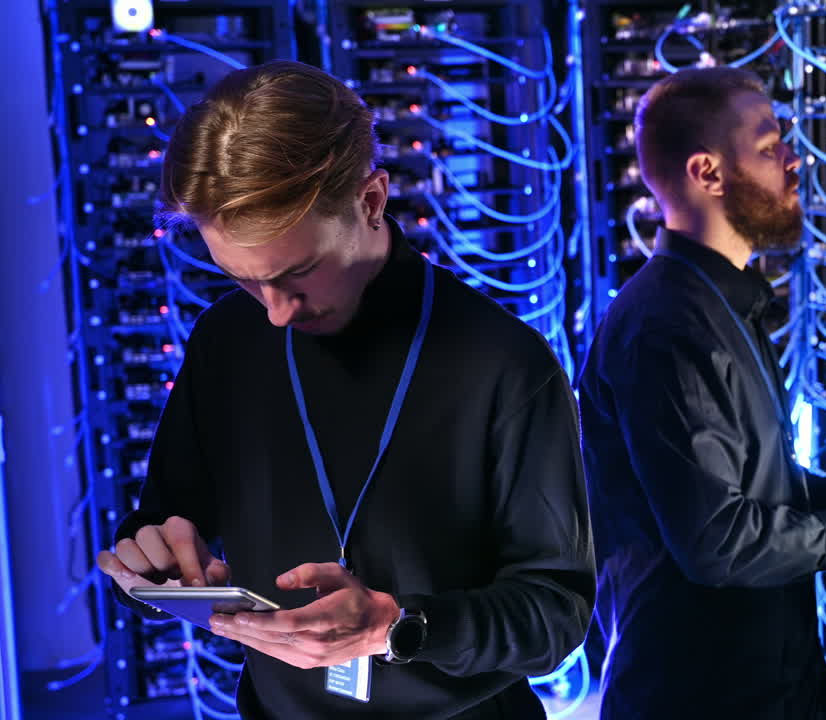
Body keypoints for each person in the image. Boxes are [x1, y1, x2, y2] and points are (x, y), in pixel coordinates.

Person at [95, 60, 594, 719]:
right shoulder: (227, 339)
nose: (275, 312)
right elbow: (165, 521)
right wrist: (152, 567)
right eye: (245, 281)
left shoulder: (505, 362)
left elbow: (555, 616)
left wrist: (397, 626)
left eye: (298, 273)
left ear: (372, 200)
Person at [576, 67, 826, 719]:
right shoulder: (667, 327)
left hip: (767, 682)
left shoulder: (724, 302)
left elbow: (752, 484)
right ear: (707, 173)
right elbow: (719, 541)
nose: (793, 160)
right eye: (769, 146)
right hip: (702, 697)